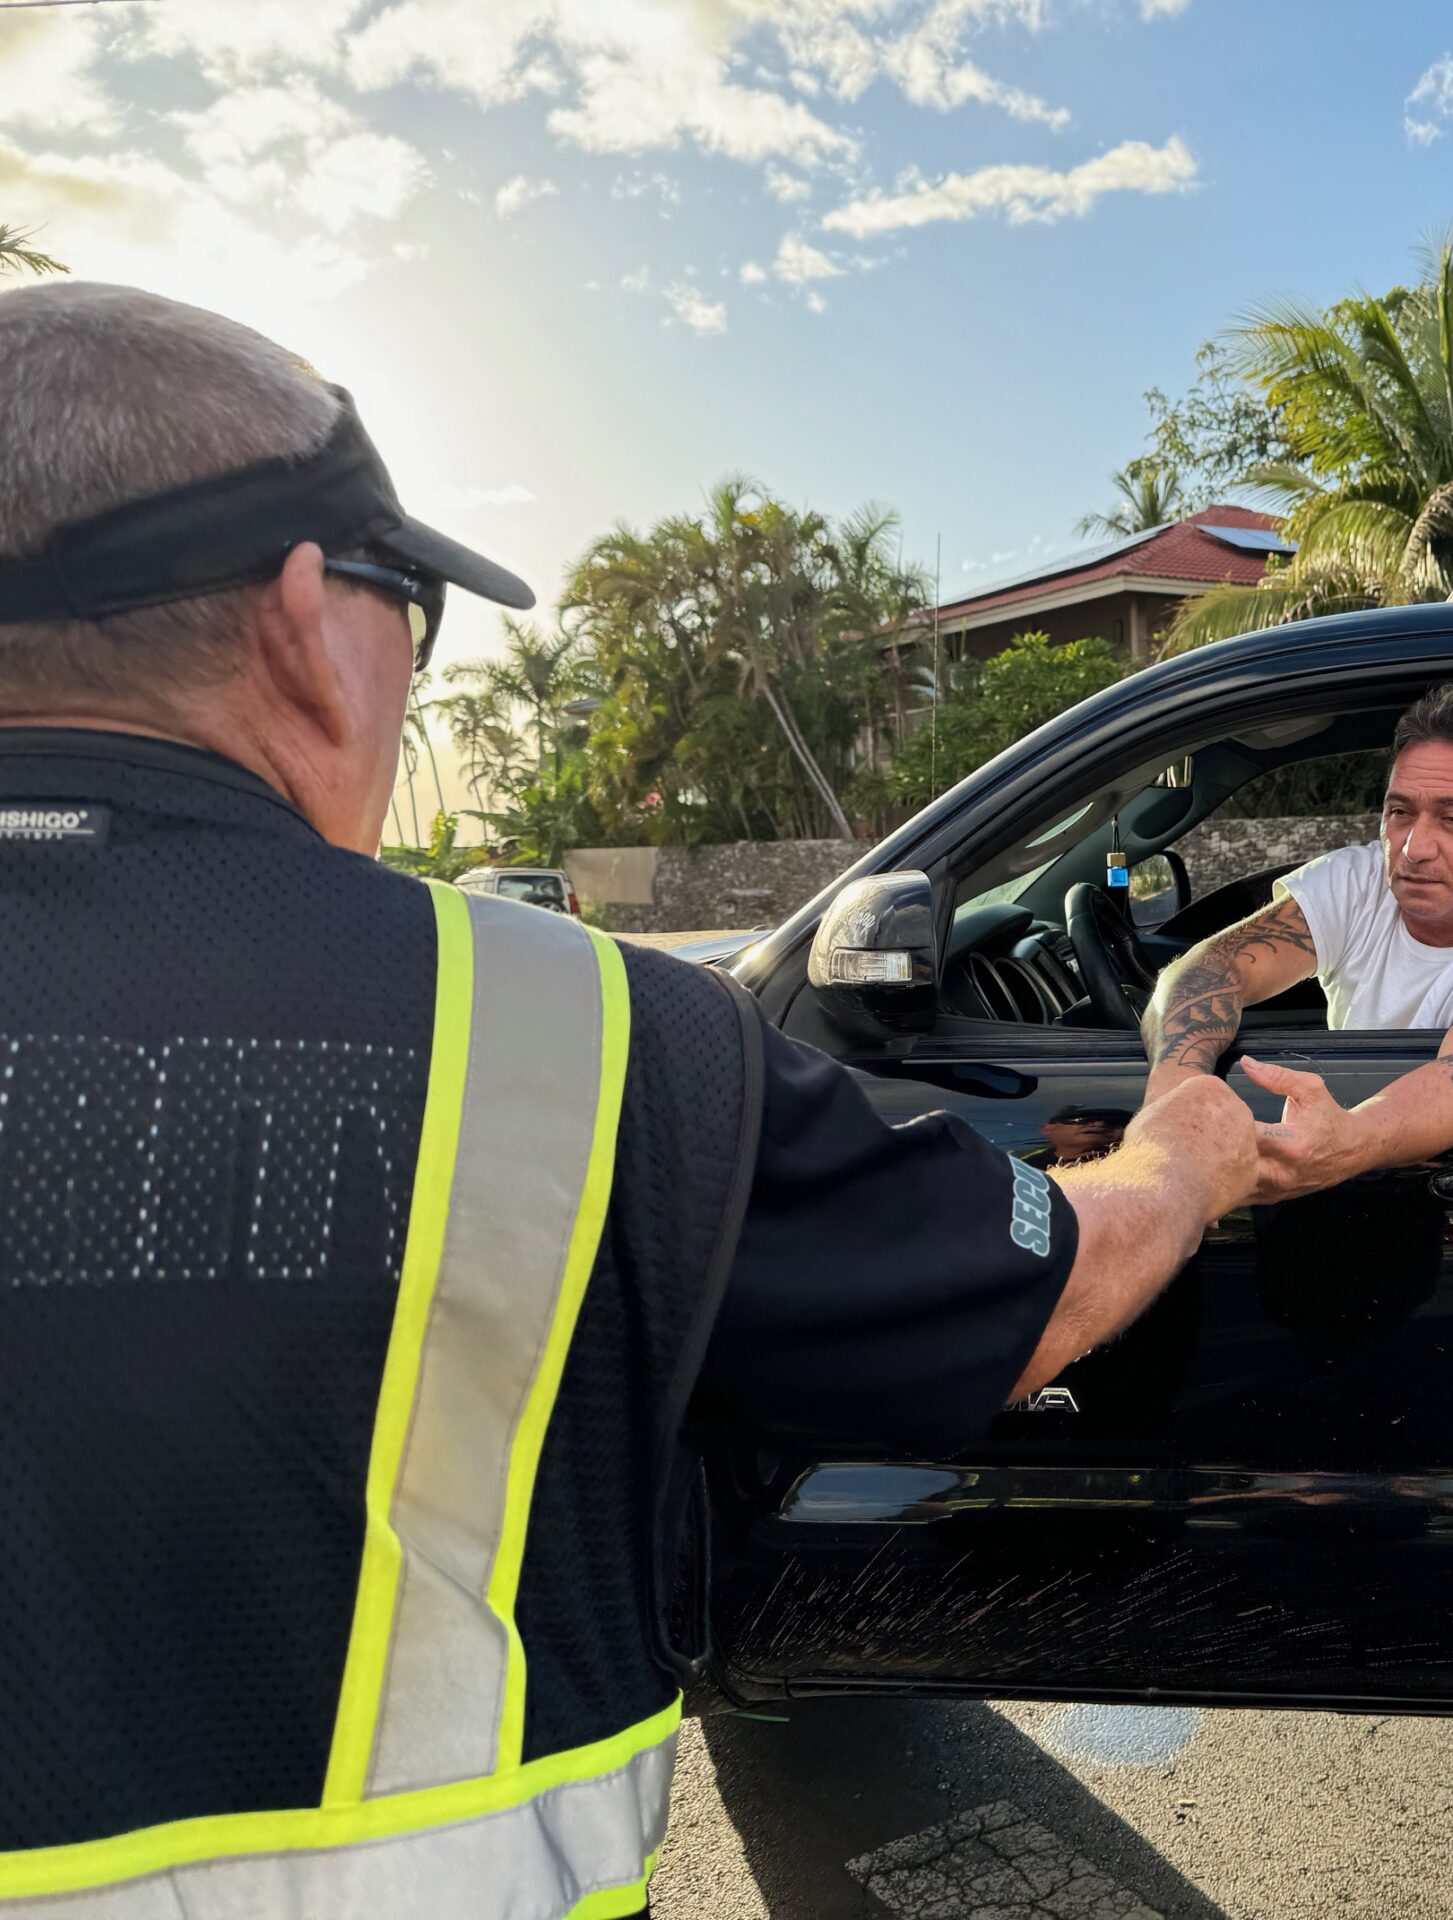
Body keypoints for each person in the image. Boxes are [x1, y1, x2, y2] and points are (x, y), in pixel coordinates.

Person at [0, 282, 1255, 1919]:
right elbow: (1043, 1292)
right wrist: (1183, 1148)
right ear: (312, 618)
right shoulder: (563, 1038)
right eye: (415, 613)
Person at [1143, 682, 1453, 1206]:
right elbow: (1212, 965)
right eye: (1400, 812)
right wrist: (1173, 1100)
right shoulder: (1365, 880)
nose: (1414, 847)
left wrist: (1343, 1142)